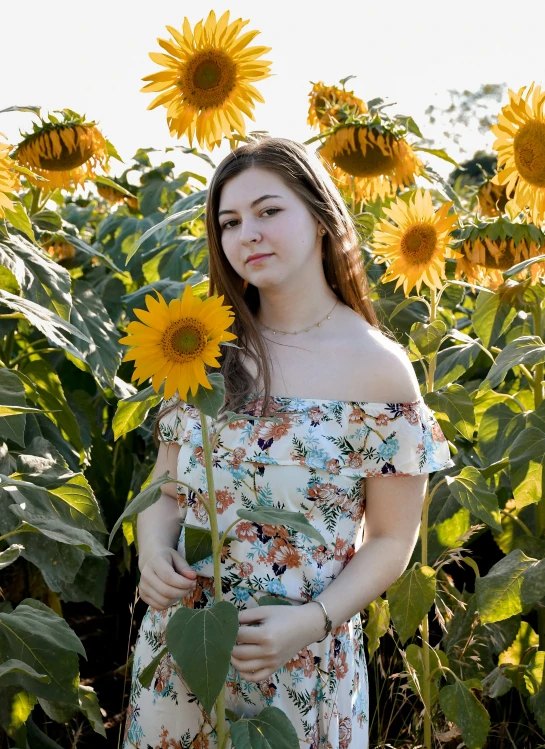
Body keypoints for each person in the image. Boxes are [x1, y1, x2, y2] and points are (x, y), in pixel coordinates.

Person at [122, 137, 454, 749]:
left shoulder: (377, 370)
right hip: (184, 652)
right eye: (230, 221)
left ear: (322, 219)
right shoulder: (201, 346)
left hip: (297, 663)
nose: (248, 232)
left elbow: (390, 540)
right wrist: (152, 552)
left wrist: (311, 622)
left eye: (269, 211)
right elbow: (165, 488)